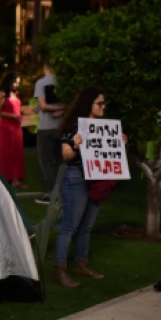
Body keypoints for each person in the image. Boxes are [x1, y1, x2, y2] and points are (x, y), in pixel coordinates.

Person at [55, 88, 123, 287]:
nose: (103, 107)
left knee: (86, 227)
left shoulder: (102, 126)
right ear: (88, 105)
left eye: (104, 103)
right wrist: (74, 145)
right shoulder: (75, 126)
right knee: (70, 227)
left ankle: (81, 264)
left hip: (96, 179)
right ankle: (60, 269)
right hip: (77, 178)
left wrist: (119, 144)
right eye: (99, 103)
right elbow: (65, 155)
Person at [34, 61, 65, 203]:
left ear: (45, 67)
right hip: (61, 127)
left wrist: (46, 108)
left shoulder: (41, 83)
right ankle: (62, 192)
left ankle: (52, 194)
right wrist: (62, 109)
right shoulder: (63, 83)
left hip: (46, 128)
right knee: (60, 160)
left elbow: (43, 105)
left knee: (46, 161)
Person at [0, 73, 25, 187]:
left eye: (18, 82)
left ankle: (16, 179)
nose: (17, 85)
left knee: (17, 152)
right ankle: (6, 178)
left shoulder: (15, 94)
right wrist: (12, 116)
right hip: (6, 127)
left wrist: (20, 113)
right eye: (15, 82)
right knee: (7, 152)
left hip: (16, 127)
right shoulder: (2, 94)